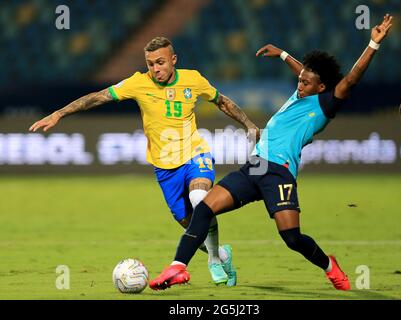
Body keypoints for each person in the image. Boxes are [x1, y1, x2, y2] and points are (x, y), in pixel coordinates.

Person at [149, 15, 394, 291]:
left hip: (279, 173)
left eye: (305, 83)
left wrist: (373, 43)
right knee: (203, 207)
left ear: (321, 88)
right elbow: (304, 72)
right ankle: (178, 267)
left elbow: (350, 80)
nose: (299, 85)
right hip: (255, 167)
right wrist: (283, 54)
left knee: (291, 237)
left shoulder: (325, 106)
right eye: (299, 81)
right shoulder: (302, 92)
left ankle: (329, 265)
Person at [29, 36, 260, 287]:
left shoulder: (193, 79)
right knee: (190, 225)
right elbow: (98, 96)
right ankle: (223, 253)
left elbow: (222, 101)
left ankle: (214, 259)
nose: (155, 69)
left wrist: (247, 123)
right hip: (165, 168)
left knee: (200, 201)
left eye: (160, 62)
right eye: (150, 64)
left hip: (195, 154)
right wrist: (59, 113)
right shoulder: (138, 83)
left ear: (173, 60)